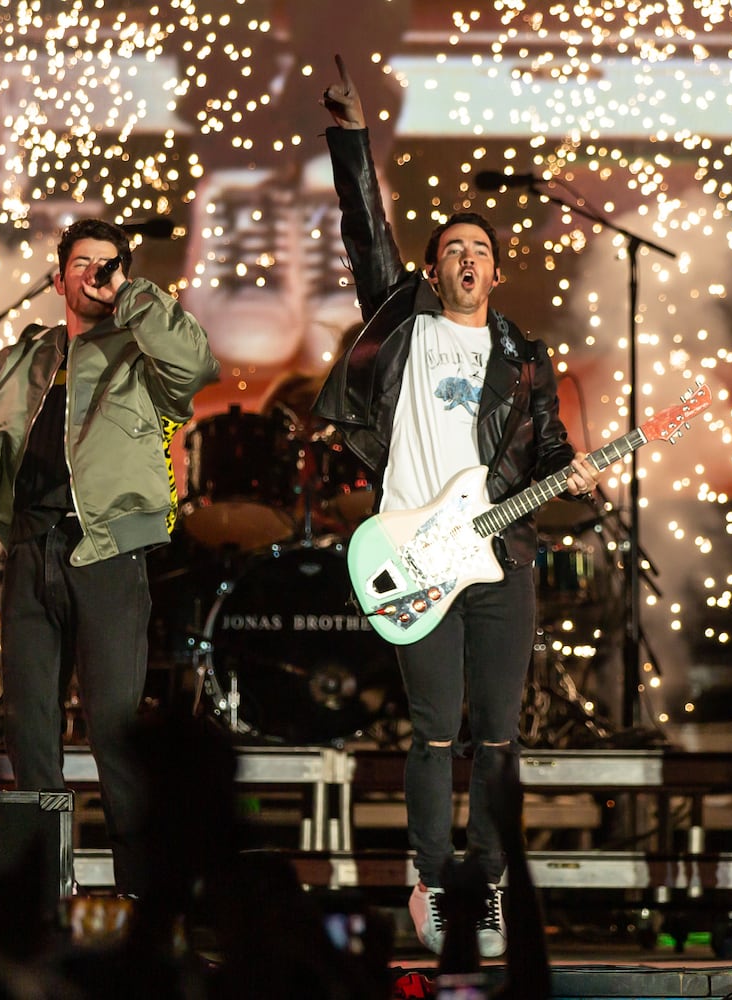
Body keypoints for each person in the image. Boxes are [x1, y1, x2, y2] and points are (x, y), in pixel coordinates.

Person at [313, 56, 599, 958]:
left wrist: (578, 471)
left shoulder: (525, 357)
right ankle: (431, 879)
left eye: (480, 249)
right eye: (451, 251)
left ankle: (491, 886)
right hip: (415, 554)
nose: (465, 259)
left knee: (500, 736)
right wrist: (352, 136)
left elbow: (547, 451)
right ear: (432, 272)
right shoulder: (403, 326)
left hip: (502, 561)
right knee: (436, 734)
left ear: (496, 273)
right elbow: (366, 230)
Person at [0, 218, 220, 897]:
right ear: (58, 279)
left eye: (109, 264)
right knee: (30, 726)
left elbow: (197, 363)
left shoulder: (142, 352)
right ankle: (43, 888)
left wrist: (133, 297)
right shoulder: (25, 357)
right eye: (84, 264)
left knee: (114, 728)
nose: (96, 275)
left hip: (104, 549)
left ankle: (143, 897)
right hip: (30, 548)